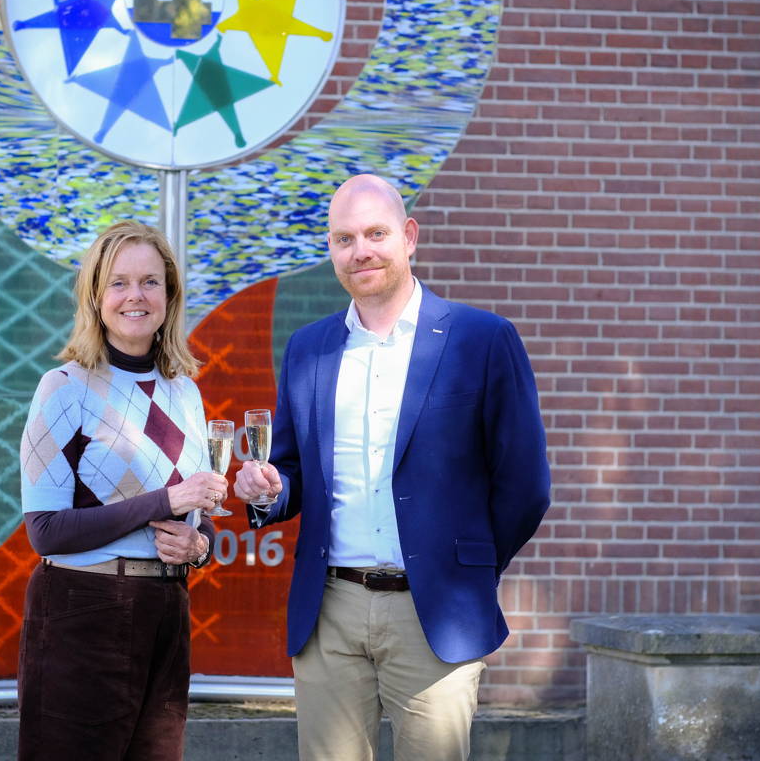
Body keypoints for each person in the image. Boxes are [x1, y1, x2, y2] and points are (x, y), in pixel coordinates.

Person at [232, 174, 551, 761]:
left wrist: (467, 566)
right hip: (329, 610)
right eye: (344, 239)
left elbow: (525, 485)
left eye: (376, 233)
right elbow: (292, 471)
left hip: (435, 613)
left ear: (409, 236)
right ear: (331, 250)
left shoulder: (482, 339)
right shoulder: (309, 348)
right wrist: (268, 489)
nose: (361, 251)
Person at [17, 220, 228, 761]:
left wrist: (198, 546)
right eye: (119, 282)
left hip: (167, 610)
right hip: (83, 612)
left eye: (150, 282)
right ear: (95, 296)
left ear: (169, 295)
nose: (136, 295)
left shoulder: (185, 392)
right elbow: (46, 532)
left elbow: (196, 517)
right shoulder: (63, 388)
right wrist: (166, 501)